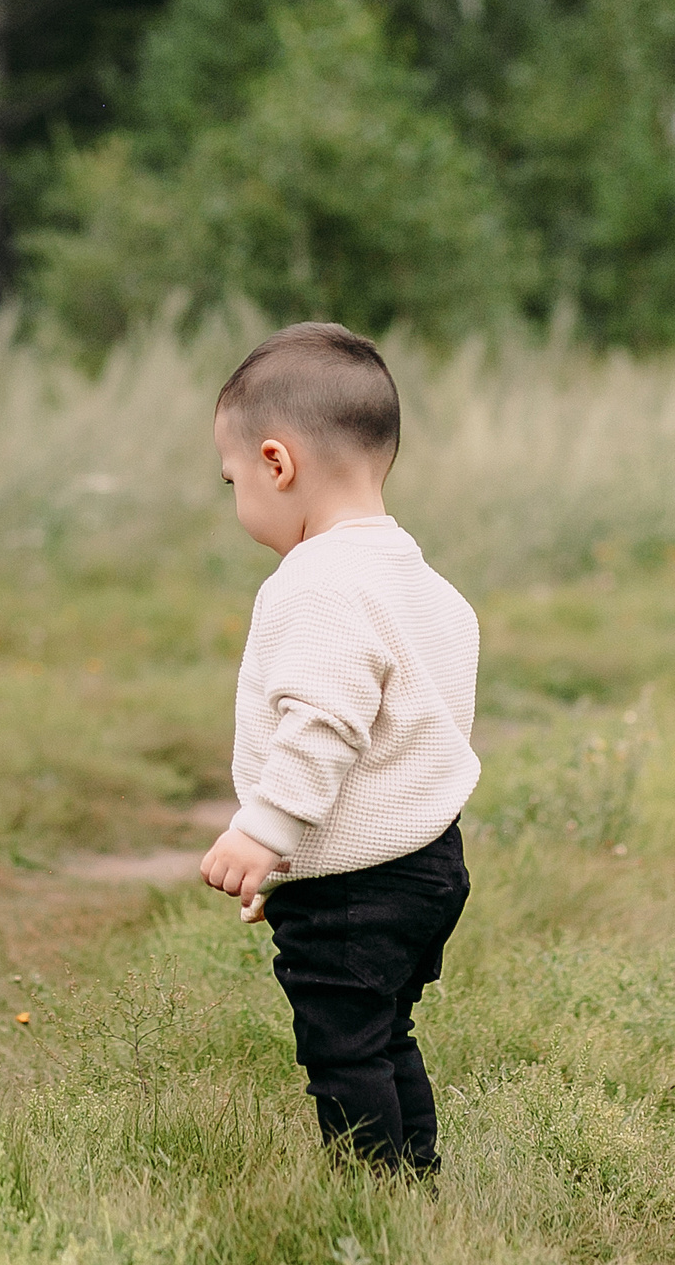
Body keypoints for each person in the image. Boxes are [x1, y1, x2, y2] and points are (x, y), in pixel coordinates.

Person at [199, 322, 480, 1179]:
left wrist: (265, 833)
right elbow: (399, 751)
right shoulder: (425, 586)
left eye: (233, 479)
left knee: (342, 1049)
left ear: (278, 465)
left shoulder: (319, 583)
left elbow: (325, 725)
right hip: (427, 864)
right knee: (382, 1033)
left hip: (362, 887)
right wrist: (293, 869)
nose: (238, 496)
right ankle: (412, 1179)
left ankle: (372, 1194)